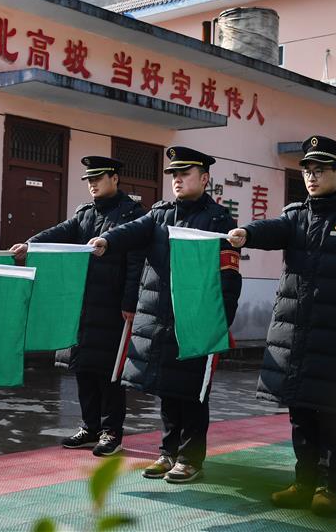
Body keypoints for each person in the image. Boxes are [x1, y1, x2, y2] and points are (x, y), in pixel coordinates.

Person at [227, 135, 336, 515]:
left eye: (320, 170)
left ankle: (329, 488)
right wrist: (246, 233)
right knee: (300, 413)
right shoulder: (296, 214)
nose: (312, 177)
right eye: (307, 171)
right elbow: (274, 229)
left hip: (335, 335)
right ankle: (303, 482)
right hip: (294, 333)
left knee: (330, 415)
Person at [88, 146, 241, 484]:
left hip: (196, 321)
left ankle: (190, 458)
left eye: (184, 174)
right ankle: (168, 451)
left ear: (204, 179)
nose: (177, 180)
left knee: (193, 393)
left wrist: (219, 322)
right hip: (161, 319)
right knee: (168, 388)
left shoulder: (219, 221)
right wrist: (108, 241)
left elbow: (229, 277)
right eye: (174, 174)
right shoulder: (160, 214)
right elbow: (134, 230)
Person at [9, 156, 144, 457]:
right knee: (83, 367)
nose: (92, 185)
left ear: (114, 178)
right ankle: (90, 426)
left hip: (113, 308)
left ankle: (112, 432)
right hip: (82, 305)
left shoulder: (132, 215)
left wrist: (130, 301)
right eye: (89, 180)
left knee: (109, 372)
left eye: (98, 178)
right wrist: (30, 245)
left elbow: (136, 262)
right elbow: (60, 232)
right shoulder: (84, 214)